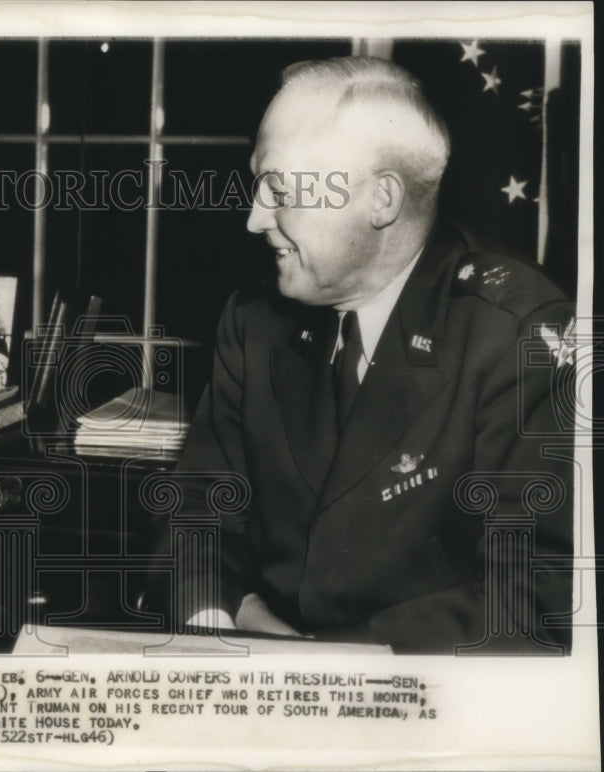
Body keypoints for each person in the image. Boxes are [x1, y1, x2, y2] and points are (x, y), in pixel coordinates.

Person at [165, 57, 574, 653]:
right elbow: (194, 508)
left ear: (381, 199)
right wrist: (222, 620)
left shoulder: (517, 335)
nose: (255, 218)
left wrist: (320, 666)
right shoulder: (253, 322)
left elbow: (535, 599)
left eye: (280, 189)